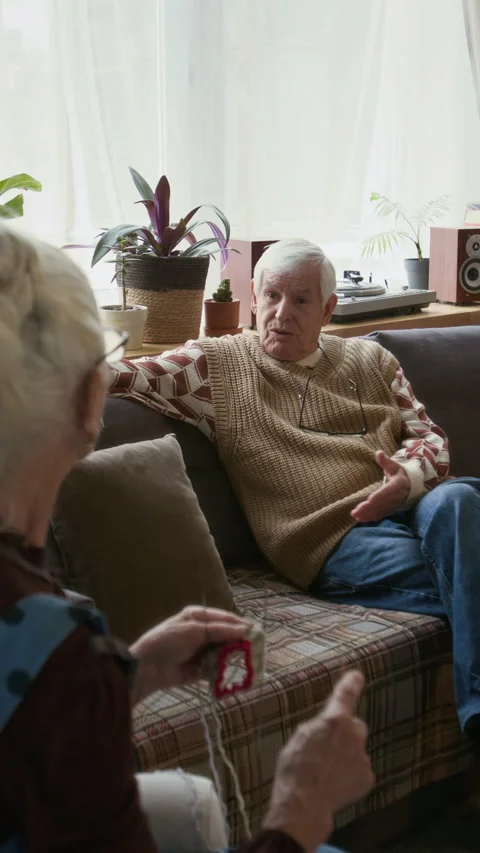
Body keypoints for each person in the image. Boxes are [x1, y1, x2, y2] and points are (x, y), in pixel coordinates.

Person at [0, 224, 374, 852]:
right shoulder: (52, 650)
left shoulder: (44, 634)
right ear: (92, 394)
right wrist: (298, 814)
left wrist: (130, 674)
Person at [110, 237, 480, 738]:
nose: (281, 313)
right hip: (335, 539)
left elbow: (427, 436)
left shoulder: (372, 362)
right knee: (469, 566)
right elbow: (122, 375)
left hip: (416, 508)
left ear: (328, 308)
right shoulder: (213, 368)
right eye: (271, 297)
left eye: (301, 300)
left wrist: (408, 480)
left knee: (457, 498)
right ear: (254, 298)